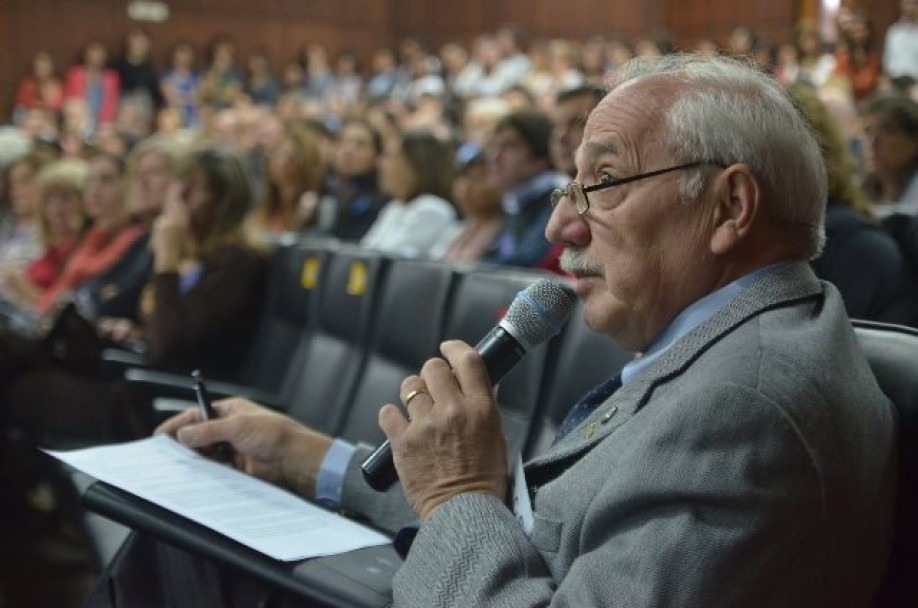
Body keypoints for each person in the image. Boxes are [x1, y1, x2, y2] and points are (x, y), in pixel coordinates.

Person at [149, 54, 895, 607]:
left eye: (601, 184)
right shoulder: (732, 348)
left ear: (730, 207)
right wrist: (314, 461)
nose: (560, 224)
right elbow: (544, 537)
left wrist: (460, 494)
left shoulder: (746, 407)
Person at [788, 83, 918, 326]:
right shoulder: (863, 190)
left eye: (887, 130)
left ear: (914, 141)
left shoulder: (849, 233)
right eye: (867, 132)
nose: (874, 141)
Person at [480, 109, 566, 268]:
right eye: (494, 146)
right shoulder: (514, 201)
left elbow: (524, 264)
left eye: (509, 146)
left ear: (540, 156)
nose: (495, 157)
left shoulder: (558, 199)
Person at [359, 131, 456, 257]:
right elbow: (364, 252)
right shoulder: (394, 207)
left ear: (415, 167)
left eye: (390, 157)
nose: (380, 164)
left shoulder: (432, 210)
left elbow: (392, 262)